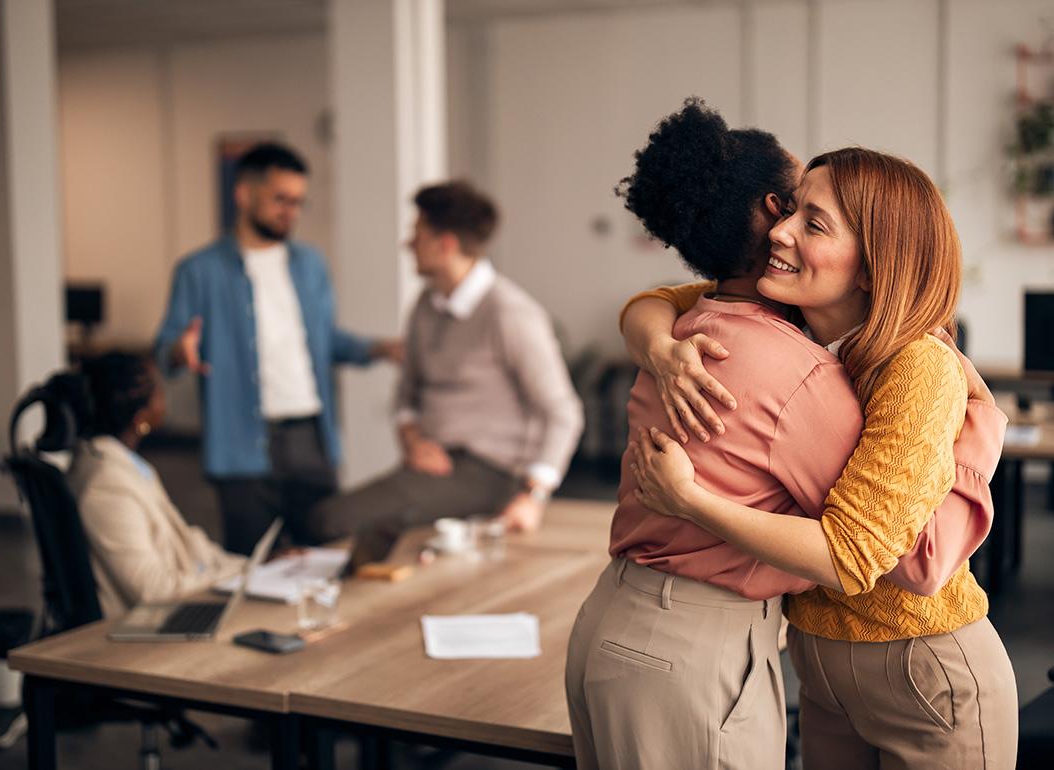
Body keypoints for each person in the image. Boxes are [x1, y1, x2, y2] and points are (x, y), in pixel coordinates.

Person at [565, 99, 1008, 770]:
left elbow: (904, 559)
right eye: (788, 209)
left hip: (918, 658)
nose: (780, 232)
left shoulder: (905, 364)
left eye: (812, 220)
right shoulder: (789, 335)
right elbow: (658, 299)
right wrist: (654, 339)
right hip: (815, 660)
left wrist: (981, 436)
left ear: (870, 263)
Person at [314, 181, 584, 569]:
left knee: (329, 521)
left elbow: (563, 412)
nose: (408, 243)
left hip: (489, 473)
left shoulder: (510, 313)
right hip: (429, 463)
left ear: (445, 244)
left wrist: (533, 496)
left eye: (417, 233)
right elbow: (406, 391)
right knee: (342, 527)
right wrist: (411, 437)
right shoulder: (425, 304)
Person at [153, 142, 402, 554]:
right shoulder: (198, 270)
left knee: (325, 555)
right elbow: (165, 351)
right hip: (240, 440)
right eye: (280, 199)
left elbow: (324, 342)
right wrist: (181, 351)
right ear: (244, 194)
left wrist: (380, 349)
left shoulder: (311, 265)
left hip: (310, 436)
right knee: (255, 563)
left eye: (299, 202)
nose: (291, 211)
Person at [67, 352, 246, 619]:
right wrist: (234, 576)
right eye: (159, 391)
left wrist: (252, 567)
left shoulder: (119, 462)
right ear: (141, 417)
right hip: (145, 629)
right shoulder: (107, 485)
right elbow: (154, 591)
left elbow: (186, 540)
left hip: (174, 605)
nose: (165, 399)